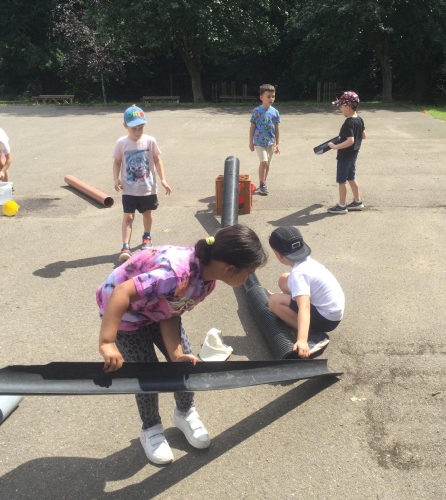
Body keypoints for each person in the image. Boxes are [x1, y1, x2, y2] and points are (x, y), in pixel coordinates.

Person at [96, 224, 267, 465]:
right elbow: (121, 293)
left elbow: (171, 310)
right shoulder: (175, 275)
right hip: (126, 315)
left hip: (155, 309)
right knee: (147, 374)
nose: (249, 277)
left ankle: (184, 412)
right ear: (230, 269)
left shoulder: (206, 281)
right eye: (249, 272)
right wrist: (107, 342)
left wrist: (176, 354)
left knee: (186, 362)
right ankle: (151, 428)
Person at [268, 226, 345, 359]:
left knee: (274, 302)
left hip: (326, 320)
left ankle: (312, 334)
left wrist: (302, 340)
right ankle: (293, 313)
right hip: (332, 312)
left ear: (278, 254)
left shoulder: (298, 274)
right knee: (284, 279)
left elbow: (305, 306)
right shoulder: (308, 263)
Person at [112, 104, 172, 262]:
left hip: (147, 188)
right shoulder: (121, 143)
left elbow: (157, 160)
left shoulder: (150, 141)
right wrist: (116, 179)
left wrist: (163, 179)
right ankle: (125, 246)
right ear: (125, 126)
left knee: (147, 214)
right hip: (129, 189)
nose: (138, 132)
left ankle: (147, 237)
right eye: (134, 129)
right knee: (128, 216)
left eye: (141, 128)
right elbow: (117, 162)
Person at [326, 91, 366, 214]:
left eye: (341, 106)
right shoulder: (359, 119)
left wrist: (335, 146)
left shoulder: (348, 123)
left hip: (344, 156)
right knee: (351, 178)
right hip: (353, 155)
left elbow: (350, 141)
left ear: (347, 107)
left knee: (342, 181)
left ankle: (342, 206)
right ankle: (358, 202)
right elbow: (364, 135)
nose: (340, 109)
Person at [249, 84, 280, 195]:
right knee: (264, 162)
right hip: (259, 142)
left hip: (270, 142)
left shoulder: (275, 112)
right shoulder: (256, 111)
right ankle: (262, 184)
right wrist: (251, 142)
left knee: (267, 164)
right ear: (261, 97)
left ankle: (263, 182)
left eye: (273, 96)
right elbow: (252, 127)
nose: (271, 99)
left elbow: (277, 129)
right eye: (268, 96)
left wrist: (277, 144)